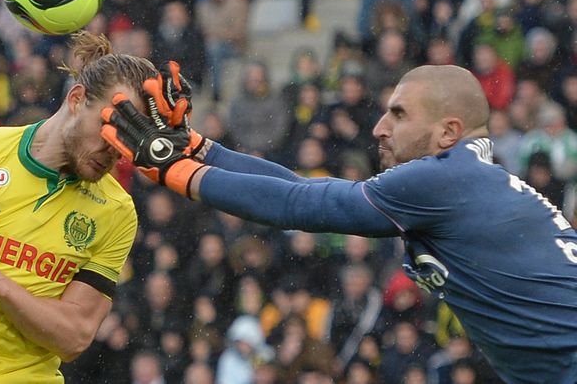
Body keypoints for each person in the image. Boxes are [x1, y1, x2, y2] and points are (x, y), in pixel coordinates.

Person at [102, 64, 577, 383]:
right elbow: (301, 189)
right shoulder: (464, 179)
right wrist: (202, 150)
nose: (379, 128)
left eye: (398, 113)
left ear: (448, 132)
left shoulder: (444, 180)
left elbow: (301, 205)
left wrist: (176, 170)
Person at [0, 31, 158, 383]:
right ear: (77, 100)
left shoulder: (116, 210)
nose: (115, 152)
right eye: (108, 132)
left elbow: (74, 336)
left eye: (127, 145)